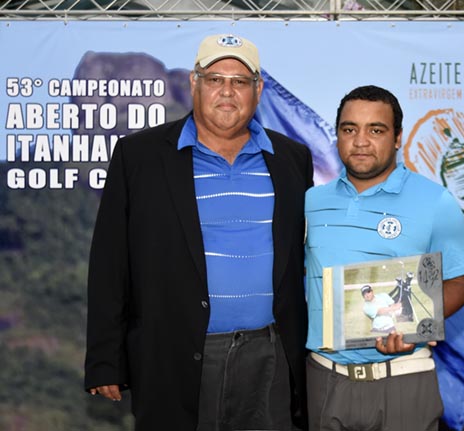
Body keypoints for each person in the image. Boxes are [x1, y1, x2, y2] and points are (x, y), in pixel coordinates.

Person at [84, 33, 313, 431]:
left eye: (240, 82)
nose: (227, 91)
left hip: (271, 355)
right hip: (175, 354)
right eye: (215, 79)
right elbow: (110, 262)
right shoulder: (139, 156)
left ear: (257, 91)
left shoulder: (292, 158)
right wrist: (105, 359)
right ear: (194, 84)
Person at [304, 85, 464, 431]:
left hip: (403, 379)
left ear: (398, 137)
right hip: (323, 379)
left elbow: (460, 280)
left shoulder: (436, 201)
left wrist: (414, 325)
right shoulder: (310, 201)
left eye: (376, 130)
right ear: (337, 135)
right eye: (349, 129)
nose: (361, 141)